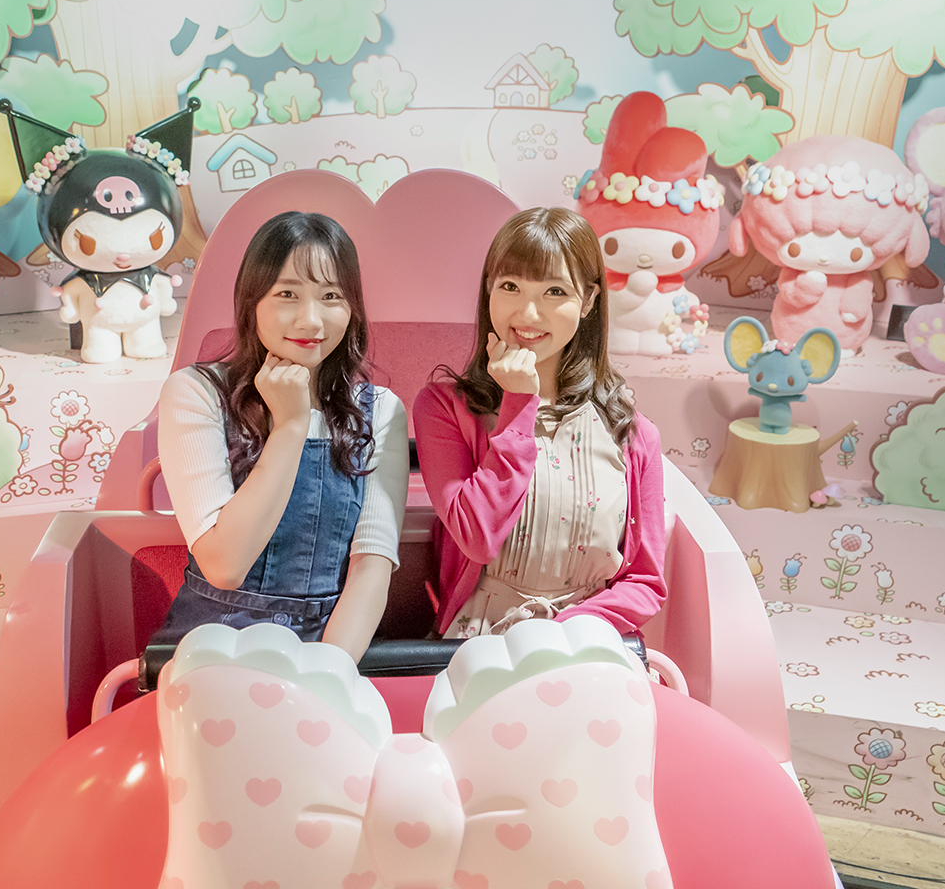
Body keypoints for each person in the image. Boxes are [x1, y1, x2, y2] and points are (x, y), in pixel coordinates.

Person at [149, 211, 408, 662]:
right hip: (213, 648)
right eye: (287, 294)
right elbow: (225, 565)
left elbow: (372, 567)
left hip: (334, 649)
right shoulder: (196, 393)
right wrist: (289, 426)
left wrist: (328, 675)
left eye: (331, 296)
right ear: (252, 301)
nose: (311, 320)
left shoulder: (381, 410)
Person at [415, 206, 668, 639]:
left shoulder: (633, 432)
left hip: (587, 641)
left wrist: (557, 635)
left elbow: (645, 583)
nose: (528, 313)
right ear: (489, 289)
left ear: (588, 301)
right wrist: (518, 403)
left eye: (555, 291)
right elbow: (477, 536)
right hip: (479, 644)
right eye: (510, 286)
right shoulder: (445, 408)